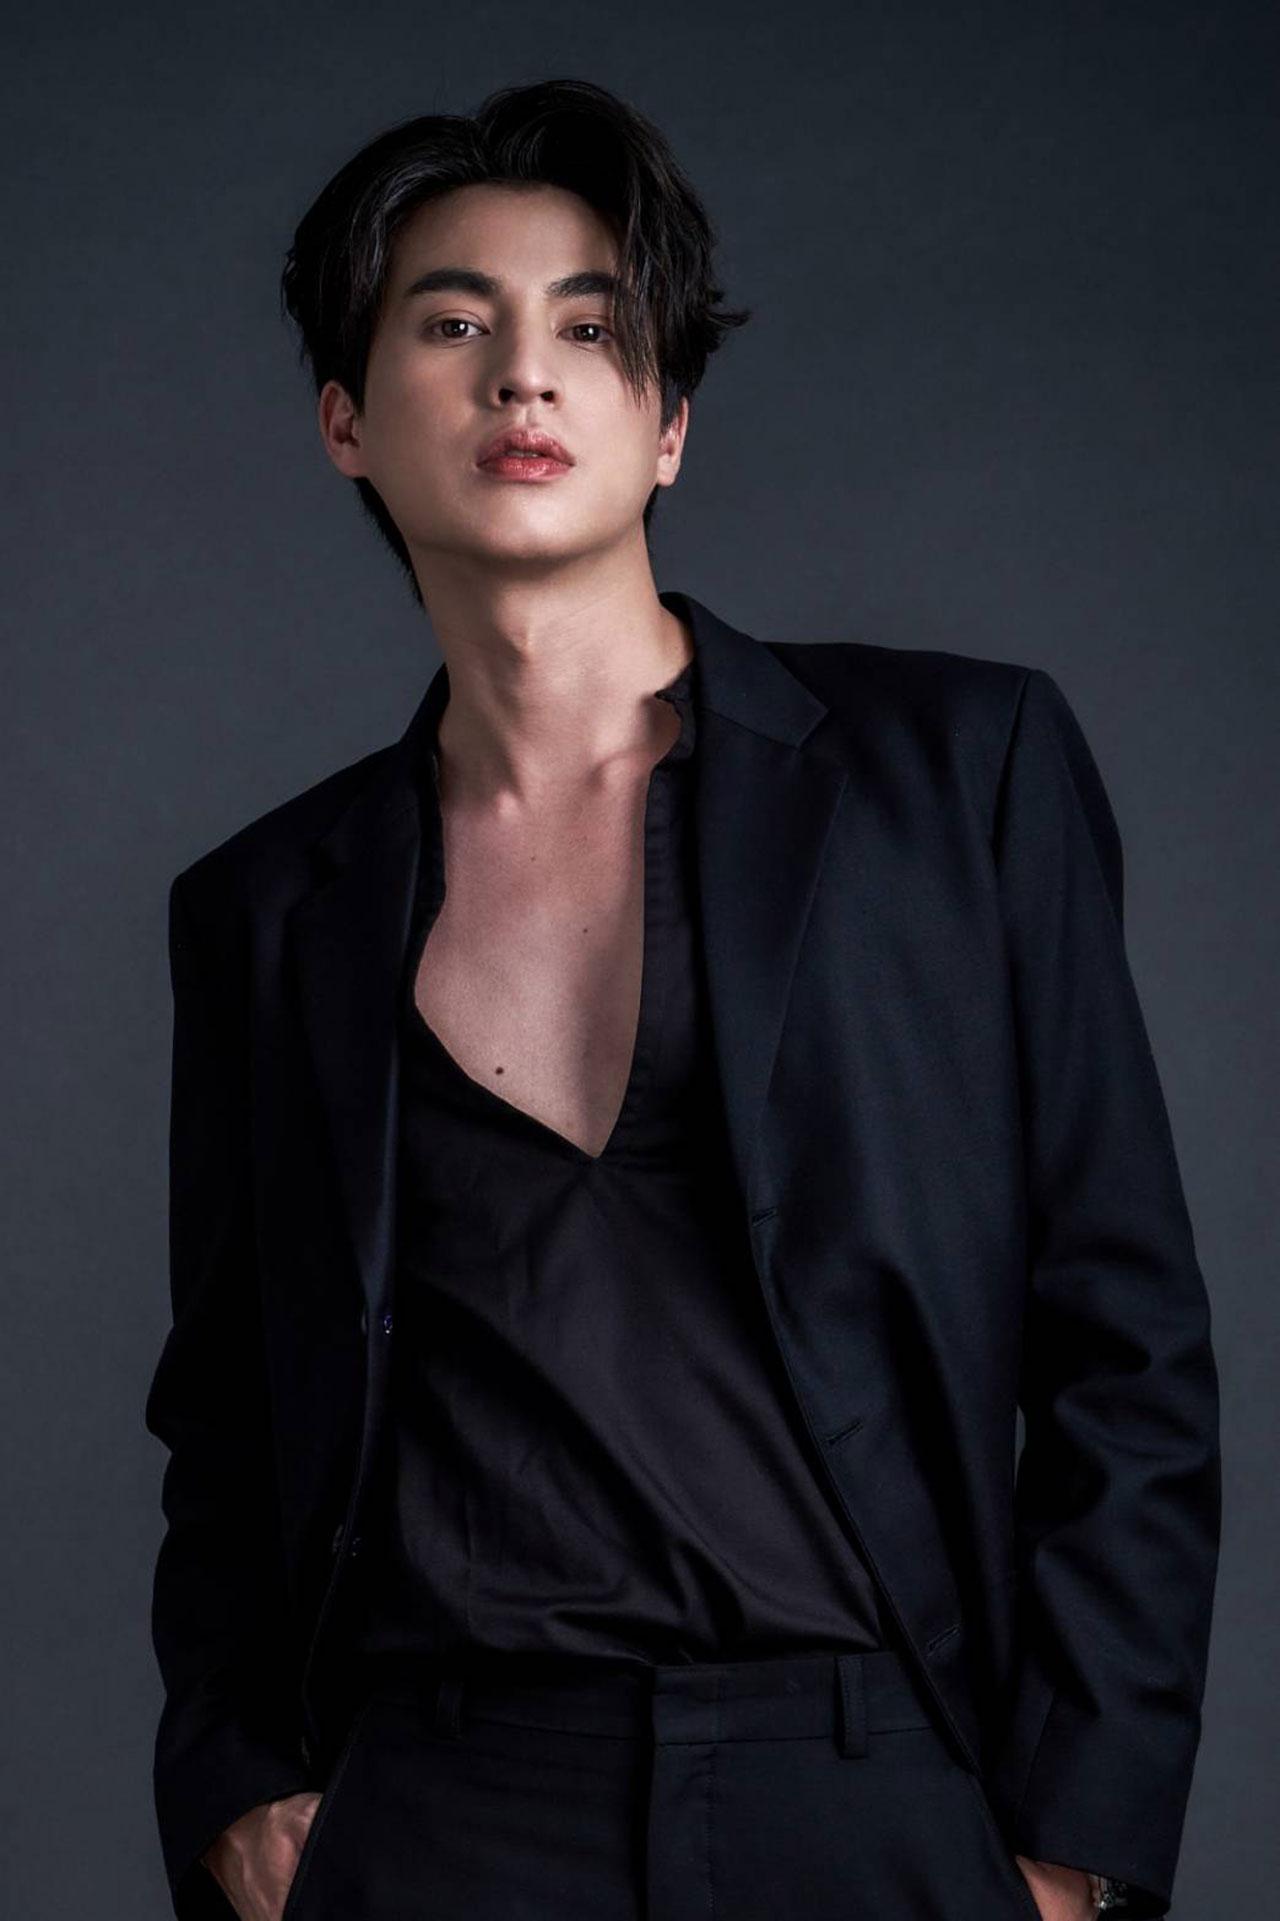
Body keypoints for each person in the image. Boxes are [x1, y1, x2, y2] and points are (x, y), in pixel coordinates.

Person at [144, 76, 1219, 1921]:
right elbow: (232, 1419)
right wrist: (240, 1779)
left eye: (590, 328)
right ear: (345, 420)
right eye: (452, 324)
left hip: (871, 1783)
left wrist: (1074, 1844)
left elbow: (1125, 1338)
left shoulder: (958, 776)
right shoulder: (266, 911)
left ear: (668, 426)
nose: (523, 375)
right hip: (446, 1809)